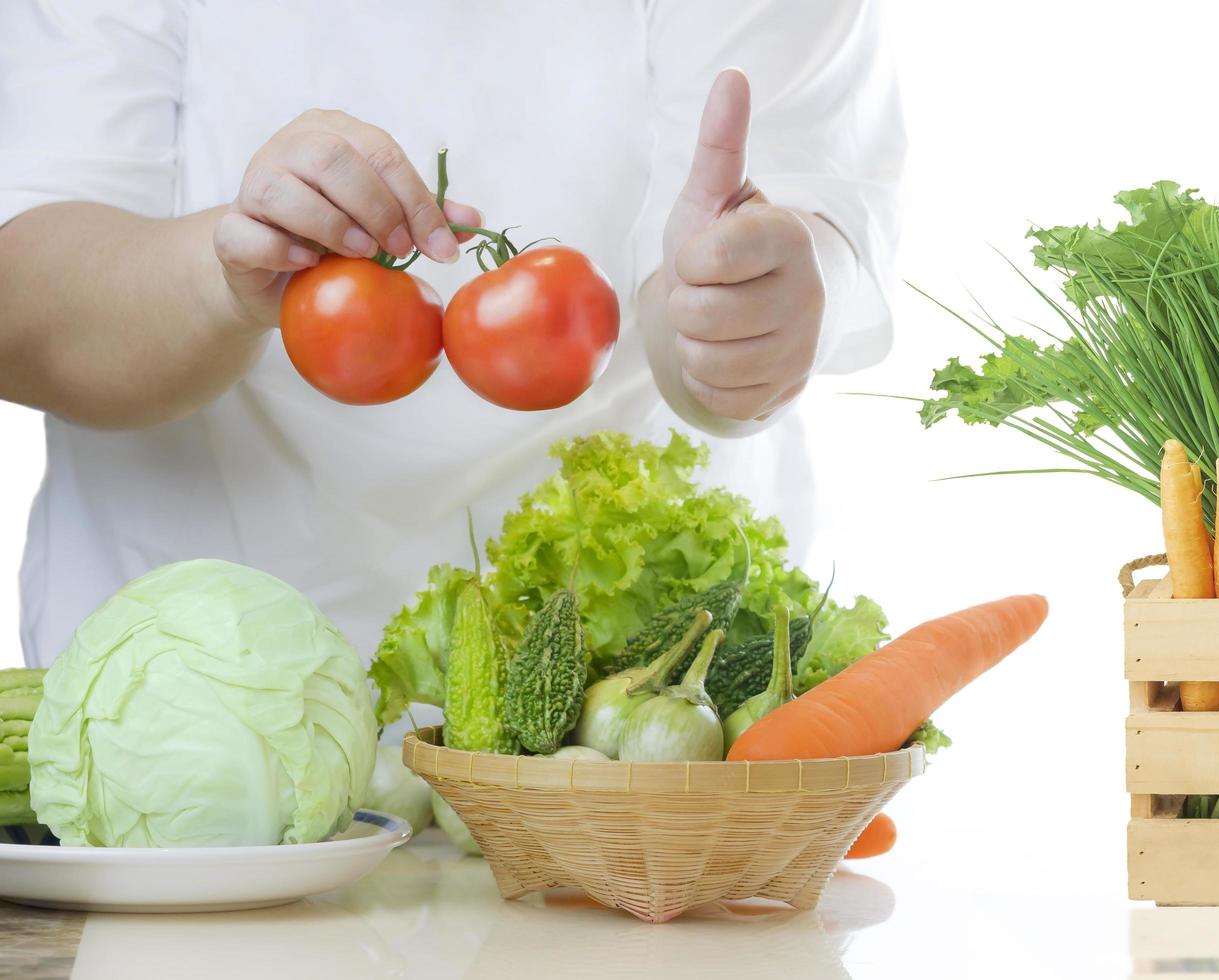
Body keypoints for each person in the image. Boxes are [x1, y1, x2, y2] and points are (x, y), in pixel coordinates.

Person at [0, 1, 903, 667]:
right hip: (195, 714)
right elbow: (27, 311)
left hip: (622, 720)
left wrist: (738, 320)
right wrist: (227, 271)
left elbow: (778, 240)